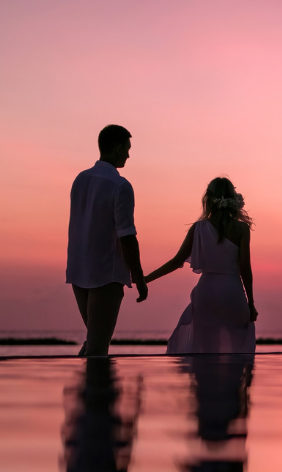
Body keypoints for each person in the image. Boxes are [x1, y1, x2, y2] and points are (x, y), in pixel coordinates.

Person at [146, 177, 257, 354]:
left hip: (207, 294)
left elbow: (176, 261)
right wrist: (251, 303)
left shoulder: (198, 228)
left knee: (206, 353)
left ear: (207, 199)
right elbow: (245, 269)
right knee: (237, 353)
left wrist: (145, 279)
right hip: (232, 292)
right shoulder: (241, 229)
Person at [66, 125, 148, 356]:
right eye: (127, 149)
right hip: (106, 273)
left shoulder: (80, 180)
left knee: (93, 342)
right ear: (118, 147)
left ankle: (87, 390)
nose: (129, 155)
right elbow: (127, 235)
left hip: (79, 269)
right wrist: (138, 276)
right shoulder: (120, 185)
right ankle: (97, 391)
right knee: (98, 347)